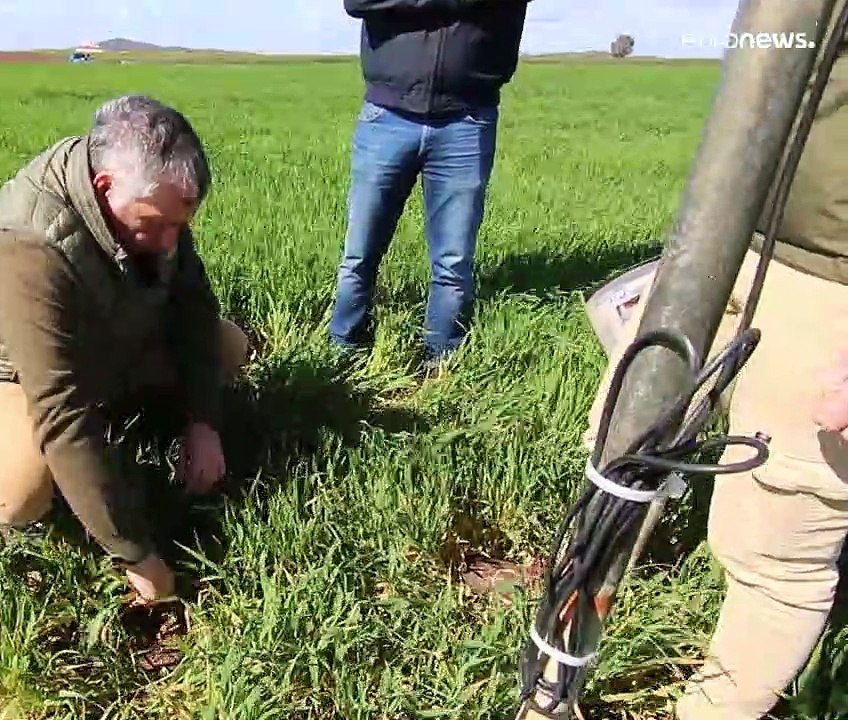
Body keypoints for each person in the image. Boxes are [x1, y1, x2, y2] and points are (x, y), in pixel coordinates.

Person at [584, 40, 848, 720]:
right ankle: (557, 673)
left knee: (775, 553)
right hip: (727, 234)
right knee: (617, 455)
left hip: (832, 287)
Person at [0, 95, 251, 603]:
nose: (170, 241)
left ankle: (126, 426)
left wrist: (203, 422)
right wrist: (136, 554)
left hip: (106, 341)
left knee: (226, 344)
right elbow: (60, 407)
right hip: (10, 372)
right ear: (105, 187)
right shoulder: (25, 250)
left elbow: (192, 308)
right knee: (19, 487)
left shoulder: (152, 206)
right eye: (157, 225)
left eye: (179, 225)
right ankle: (14, 506)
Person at [330, 0, 531, 366]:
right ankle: (342, 355)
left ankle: (441, 364)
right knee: (359, 254)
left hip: (468, 119)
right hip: (386, 115)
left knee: (453, 261)